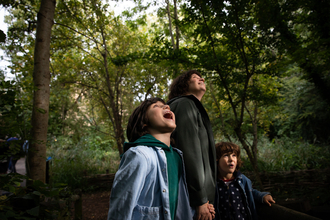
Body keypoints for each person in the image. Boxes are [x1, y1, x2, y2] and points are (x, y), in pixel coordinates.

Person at [107, 97, 193, 220]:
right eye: (156, 106)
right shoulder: (139, 155)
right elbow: (121, 206)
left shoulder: (177, 156)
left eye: (166, 106)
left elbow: (179, 203)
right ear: (144, 123)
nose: (166, 107)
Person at [167, 70, 217, 220]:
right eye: (195, 78)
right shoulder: (185, 104)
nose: (201, 78)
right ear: (184, 86)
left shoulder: (192, 106)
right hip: (191, 199)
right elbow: (189, 151)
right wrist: (200, 199)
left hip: (200, 198)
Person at [214, 142, 275, 220]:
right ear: (216, 159)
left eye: (234, 155)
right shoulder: (213, 183)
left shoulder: (242, 180)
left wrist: (262, 196)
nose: (231, 159)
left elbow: (250, 192)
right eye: (226, 155)